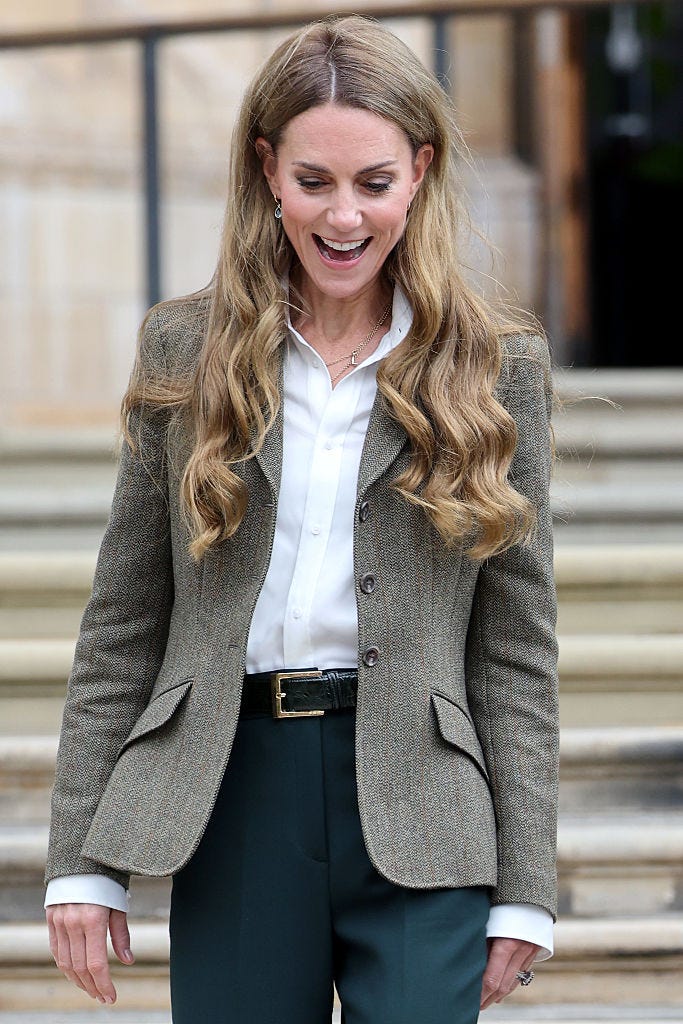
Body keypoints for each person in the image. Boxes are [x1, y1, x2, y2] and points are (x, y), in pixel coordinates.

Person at [44, 14, 559, 1024]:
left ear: (418, 172)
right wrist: (79, 862)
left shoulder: (497, 369)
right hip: (234, 793)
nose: (342, 217)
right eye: (313, 181)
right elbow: (120, 623)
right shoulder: (184, 348)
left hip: (423, 804)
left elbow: (515, 647)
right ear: (266, 169)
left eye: (372, 183)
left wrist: (526, 885)